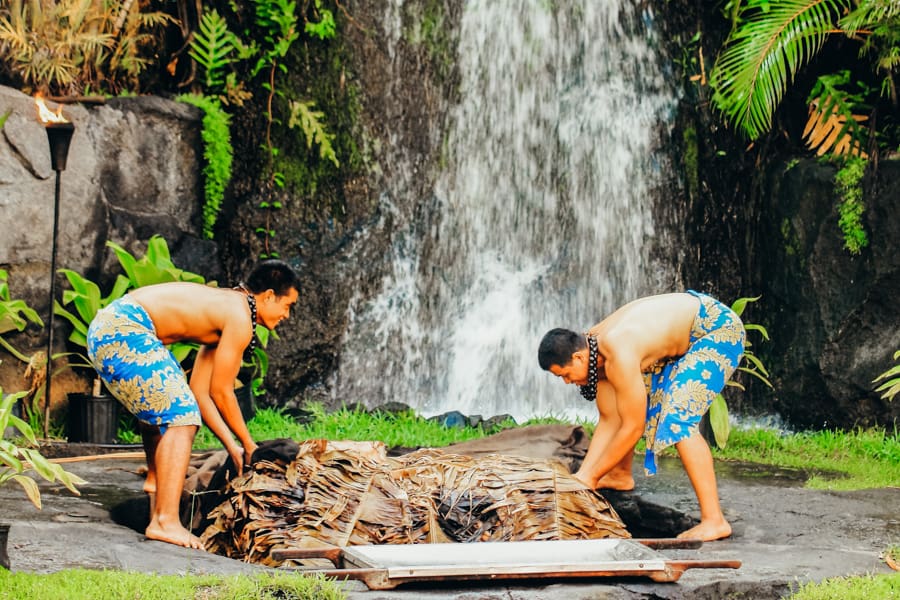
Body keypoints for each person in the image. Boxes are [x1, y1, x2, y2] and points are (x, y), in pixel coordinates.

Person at [86, 260, 300, 549]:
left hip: (110, 327)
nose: (287, 315)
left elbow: (201, 393)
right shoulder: (240, 317)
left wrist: (233, 447)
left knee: (171, 402)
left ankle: (155, 482)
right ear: (269, 295)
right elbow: (223, 392)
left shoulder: (229, 309)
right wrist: (250, 446)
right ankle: (165, 521)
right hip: (124, 328)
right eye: (287, 305)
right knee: (181, 417)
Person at [537, 290, 745, 541]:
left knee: (678, 417)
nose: (567, 382)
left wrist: (589, 477)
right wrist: (585, 476)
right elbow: (610, 419)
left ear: (578, 357)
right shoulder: (593, 350)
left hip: (715, 330)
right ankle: (619, 476)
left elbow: (633, 427)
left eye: (565, 375)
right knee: (624, 405)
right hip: (683, 337)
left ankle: (715, 520)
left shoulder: (617, 351)